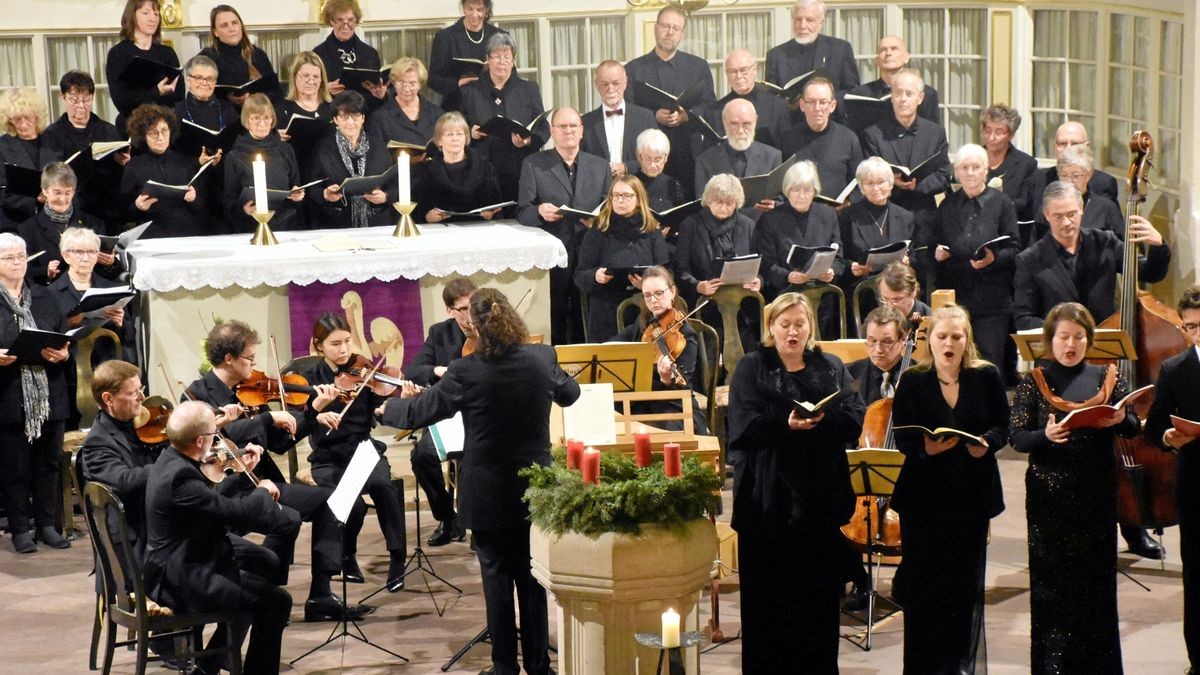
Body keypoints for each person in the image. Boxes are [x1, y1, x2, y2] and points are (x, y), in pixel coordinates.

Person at [380, 287, 580, 675]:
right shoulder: (542, 357)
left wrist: (388, 407)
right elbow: (570, 394)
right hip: (536, 489)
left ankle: (505, 667)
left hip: (488, 492)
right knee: (534, 579)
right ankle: (539, 667)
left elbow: (421, 411)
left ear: (473, 325)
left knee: (497, 580)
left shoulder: (465, 370)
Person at [185, 319, 370, 622]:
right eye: (249, 359)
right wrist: (268, 420)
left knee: (329, 502)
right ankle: (270, 596)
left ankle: (320, 595)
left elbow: (280, 443)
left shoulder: (247, 392)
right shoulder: (196, 396)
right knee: (289, 516)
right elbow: (220, 440)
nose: (254, 364)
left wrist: (312, 412)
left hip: (261, 481)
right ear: (229, 359)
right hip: (227, 491)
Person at [727, 292, 865, 673]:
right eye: (785, 324)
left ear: (810, 327)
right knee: (767, 607)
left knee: (817, 605)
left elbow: (854, 417)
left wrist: (820, 421)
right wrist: (784, 425)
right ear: (771, 326)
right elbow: (742, 427)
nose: (793, 331)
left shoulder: (830, 366)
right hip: (766, 502)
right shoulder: (752, 367)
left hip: (819, 502)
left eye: (800, 324)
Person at [1010, 302, 1134, 673]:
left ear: (1088, 340)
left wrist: (1120, 418)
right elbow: (1017, 438)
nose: (1071, 344)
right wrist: (1045, 435)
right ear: (1051, 340)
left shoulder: (1107, 377)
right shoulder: (1034, 381)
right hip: (1050, 499)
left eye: (1079, 337)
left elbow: (1134, 427)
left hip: (1095, 494)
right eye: (1063, 337)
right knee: (1053, 587)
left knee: (1095, 584)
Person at [891, 304, 1008, 674]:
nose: (949, 343)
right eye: (942, 336)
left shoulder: (985, 376)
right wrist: (924, 448)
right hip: (924, 501)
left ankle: (959, 663)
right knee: (925, 590)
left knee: (963, 587)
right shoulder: (913, 380)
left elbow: (1002, 425)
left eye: (957, 336)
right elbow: (902, 435)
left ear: (967, 341)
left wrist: (986, 442)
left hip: (970, 497)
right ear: (931, 340)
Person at [143, 401, 297, 675]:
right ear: (200, 440)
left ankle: (209, 666)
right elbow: (233, 513)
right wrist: (261, 490)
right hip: (182, 578)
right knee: (275, 602)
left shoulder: (170, 459)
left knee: (258, 584)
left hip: (187, 561)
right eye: (215, 435)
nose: (218, 441)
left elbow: (210, 502)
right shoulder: (181, 477)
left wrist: (243, 473)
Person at [297, 312, 407, 591]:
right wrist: (316, 411)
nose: (344, 349)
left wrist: (393, 403)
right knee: (352, 503)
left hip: (362, 448)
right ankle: (347, 555)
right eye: (335, 344)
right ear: (318, 345)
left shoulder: (365, 370)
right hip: (328, 455)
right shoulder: (308, 378)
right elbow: (297, 423)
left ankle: (397, 559)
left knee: (384, 486)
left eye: (347, 341)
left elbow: (378, 410)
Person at [1013, 181, 1170, 331]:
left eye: (1071, 214)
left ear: (1081, 208)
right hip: (1058, 350)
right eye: (1058, 216)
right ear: (1046, 215)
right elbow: (1024, 317)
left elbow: (1151, 273)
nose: (1066, 222)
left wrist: (1158, 245)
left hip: (1105, 346)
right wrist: (1062, 331)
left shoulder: (1105, 242)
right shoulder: (1029, 260)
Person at [0, 232, 70, 553]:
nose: (17, 263)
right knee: (15, 467)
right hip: (9, 393)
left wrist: (64, 354)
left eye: (21, 256)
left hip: (48, 393)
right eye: (9, 258)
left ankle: (47, 526)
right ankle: (20, 529)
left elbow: (63, 336)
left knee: (48, 464)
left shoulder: (45, 296)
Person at [516, 106, 610, 344]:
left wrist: (598, 220)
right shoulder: (534, 163)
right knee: (555, 314)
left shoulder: (600, 165)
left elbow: (609, 210)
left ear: (581, 131)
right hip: (553, 255)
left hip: (589, 254)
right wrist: (539, 211)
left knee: (586, 316)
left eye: (573, 126)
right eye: (562, 126)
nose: (568, 131)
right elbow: (522, 211)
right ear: (552, 131)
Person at [1145, 285, 1200, 673]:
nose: (1196, 334)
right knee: (1197, 580)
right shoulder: (1176, 369)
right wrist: (1168, 436)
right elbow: (1155, 427)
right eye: (1190, 327)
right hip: (1196, 486)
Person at [402, 277, 478, 546]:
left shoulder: (492, 329)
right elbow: (413, 371)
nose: (472, 314)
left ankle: (477, 524)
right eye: (465, 309)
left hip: (480, 412)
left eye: (476, 305)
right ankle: (448, 517)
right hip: (447, 412)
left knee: (475, 457)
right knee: (421, 457)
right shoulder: (439, 333)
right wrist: (438, 370)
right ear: (450, 310)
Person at [930, 143, 1018, 368]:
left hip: (993, 298)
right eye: (964, 167)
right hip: (957, 297)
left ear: (986, 170)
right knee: (956, 362)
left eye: (976, 167)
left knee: (989, 363)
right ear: (956, 171)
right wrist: (937, 254)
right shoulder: (947, 205)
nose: (970, 173)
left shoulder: (1002, 203)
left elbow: (1015, 248)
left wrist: (993, 259)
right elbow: (933, 243)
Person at [79, 360, 164, 568]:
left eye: (141, 389)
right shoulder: (97, 443)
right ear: (108, 399)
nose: (142, 398)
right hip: (133, 544)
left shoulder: (142, 425)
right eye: (133, 393)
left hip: (158, 526)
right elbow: (125, 481)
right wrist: (172, 464)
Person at [624, 5, 716, 197]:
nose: (669, 32)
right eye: (665, 26)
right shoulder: (634, 69)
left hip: (688, 154)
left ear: (682, 33)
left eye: (675, 28)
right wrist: (653, 115)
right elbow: (628, 109)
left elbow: (710, 106)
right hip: (648, 158)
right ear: (655, 28)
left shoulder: (698, 66)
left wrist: (686, 117)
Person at [48, 227, 134, 429]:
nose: (86, 258)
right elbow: (48, 335)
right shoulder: (51, 293)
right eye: (79, 252)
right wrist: (68, 323)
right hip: (71, 374)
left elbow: (131, 336)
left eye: (91, 252)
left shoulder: (110, 289)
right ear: (66, 256)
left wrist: (121, 323)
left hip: (107, 367)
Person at [611, 266, 710, 433]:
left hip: (673, 405)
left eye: (659, 293)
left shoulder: (686, 335)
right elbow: (613, 345)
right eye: (647, 295)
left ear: (672, 292)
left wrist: (667, 380)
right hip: (641, 403)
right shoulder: (643, 325)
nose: (653, 300)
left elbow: (683, 386)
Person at [753, 160, 844, 339]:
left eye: (807, 190)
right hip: (786, 295)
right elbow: (766, 263)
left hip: (822, 295)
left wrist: (832, 271)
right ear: (787, 191)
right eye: (796, 190)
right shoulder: (771, 219)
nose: (802, 196)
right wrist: (788, 276)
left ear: (815, 191)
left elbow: (839, 257)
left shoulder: (828, 214)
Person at [574, 175, 669, 342]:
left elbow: (667, 274)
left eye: (626, 196)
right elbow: (580, 275)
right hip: (606, 308)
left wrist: (647, 285)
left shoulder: (652, 233)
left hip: (645, 307)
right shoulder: (598, 231)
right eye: (615, 195)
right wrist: (596, 276)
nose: (620, 200)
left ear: (639, 199)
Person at [461, 32, 548, 202]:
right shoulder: (470, 90)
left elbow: (543, 127)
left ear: (513, 60)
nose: (502, 62)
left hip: (520, 168)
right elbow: (459, 126)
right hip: (482, 170)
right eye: (497, 56)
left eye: (507, 57)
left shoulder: (529, 89)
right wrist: (470, 133)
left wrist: (527, 141)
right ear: (488, 59)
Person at [40, 71, 130, 232]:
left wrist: (124, 162)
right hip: (71, 209)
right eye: (74, 100)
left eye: (86, 100)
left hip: (107, 209)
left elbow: (121, 177)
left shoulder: (109, 131)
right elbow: (49, 172)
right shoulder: (52, 134)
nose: (81, 105)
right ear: (63, 98)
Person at [861, 68, 951, 227]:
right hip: (884, 217)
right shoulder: (873, 134)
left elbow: (944, 175)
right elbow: (867, 177)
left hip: (924, 216)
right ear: (891, 98)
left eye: (909, 94)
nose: (903, 99)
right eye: (898, 93)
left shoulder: (935, 133)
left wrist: (918, 186)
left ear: (920, 98)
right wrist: (891, 182)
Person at [838, 157, 915, 329]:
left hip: (897, 292)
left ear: (890, 184)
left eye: (881, 182)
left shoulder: (905, 217)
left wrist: (908, 263)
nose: (876, 188)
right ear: (861, 187)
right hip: (861, 293)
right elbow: (839, 258)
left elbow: (916, 255)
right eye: (869, 183)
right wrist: (852, 267)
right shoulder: (848, 216)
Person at [118, 104, 212, 238]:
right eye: (153, 132)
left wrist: (193, 199)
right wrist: (137, 206)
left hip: (187, 234)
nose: (160, 137)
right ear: (143, 135)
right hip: (152, 235)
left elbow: (201, 208)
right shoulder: (134, 166)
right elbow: (124, 212)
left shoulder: (186, 162)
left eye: (164, 130)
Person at [675, 173, 761, 317]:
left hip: (743, 305)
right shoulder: (690, 225)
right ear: (708, 200)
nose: (723, 207)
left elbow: (761, 266)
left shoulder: (748, 226)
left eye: (729, 203)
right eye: (718, 202)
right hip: (704, 304)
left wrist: (759, 281)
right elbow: (681, 270)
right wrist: (698, 286)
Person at [18, 162, 115, 286]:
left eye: (67, 193)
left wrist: (110, 264)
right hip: (50, 296)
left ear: (74, 192)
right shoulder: (27, 229)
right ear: (45, 191)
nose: (63, 199)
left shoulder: (94, 225)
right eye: (57, 192)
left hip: (90, 292)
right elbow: (24, 272)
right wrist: (45, 272)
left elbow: (107, 275)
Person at [308, 91, 392, 229]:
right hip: (337, 223)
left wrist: (386, 196)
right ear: (335, 120)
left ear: (363, 118)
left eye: (355, 116)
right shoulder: (323, 148)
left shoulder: (378, 144)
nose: (350, 122)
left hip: (376, 222)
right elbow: (313, 187)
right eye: (344, 117)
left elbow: (394, 181)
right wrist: (325, 194)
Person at [225, 93, 305, 231]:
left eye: (266, 118)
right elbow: (229, 199)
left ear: (272, 119)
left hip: (286, 224)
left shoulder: (285, 149)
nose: (262, 124)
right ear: (246, 120)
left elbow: (296, 184)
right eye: (256, 118)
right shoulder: (234, 155)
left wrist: (298, 194)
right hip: (251, 226)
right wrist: (242, 210)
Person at [693, 98, 782, 222]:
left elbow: (781, 200)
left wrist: (774, 205)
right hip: (720, 232)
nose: (740, 131)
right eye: (734, 124)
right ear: (724, 123)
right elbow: (702, 202)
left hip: (762, 232)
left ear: (755, 121)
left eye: (746, 124)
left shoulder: (773, 156)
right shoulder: (705, 160)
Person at [780, 76, 864, 201]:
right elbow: (781, 182)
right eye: (812, 102)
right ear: (802, 105)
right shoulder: (788, 139)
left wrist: (849, 202)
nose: (817, 108)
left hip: (838, 215)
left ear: (832, 105)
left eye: (823, 102)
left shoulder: (849, 139)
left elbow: (859, 183)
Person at [765, 0, 860, 109]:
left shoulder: (840, 49)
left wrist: (824, 102)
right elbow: (770, 98)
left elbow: (852, 91)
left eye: (809, 20)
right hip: (791, 121)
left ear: (821, 23)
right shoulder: (776, 55)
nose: (802, 25)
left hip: (831, 120)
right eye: (798, 20)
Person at [104, 0, 182, 132]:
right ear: (132, 16)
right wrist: (156, 92)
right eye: (146, 13)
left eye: (156, 14)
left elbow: (179, 96)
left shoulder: (167, 53)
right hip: (133, 127)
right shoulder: (118, 53)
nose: (153, 18)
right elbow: (122, 100)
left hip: (165, 127)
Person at [1020, 120, 1120, 222]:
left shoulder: (1104, 183)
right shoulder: (1038, 179)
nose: (1068, 149)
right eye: (1062, 144)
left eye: (1075, 143)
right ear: (1054, 147)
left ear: (1087, 146)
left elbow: (1112, 223)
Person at [417, 111, 503, 224]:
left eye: (459, 134)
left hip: (479, 228)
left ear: (466, 138)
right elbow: (421, 210)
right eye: (449, 134)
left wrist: (491, 214)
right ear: (439, 140)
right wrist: (428, 217)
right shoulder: (429, 171)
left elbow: (496, 204)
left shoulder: (483, 166)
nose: (455, 139)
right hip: (441, 232)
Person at [696, 49, 790, 152]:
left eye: (744, 70)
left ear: (754, 70)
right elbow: (708, 155)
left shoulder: (778, 107)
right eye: (733, 71)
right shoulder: (714, 112)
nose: (739, 76)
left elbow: (786, 150)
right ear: (726, 74)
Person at [1030, 144, 1123, 244]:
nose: (1069, 181)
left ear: (1088, 175)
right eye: (1064, 175)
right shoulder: (1048, 208)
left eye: (1075, 176)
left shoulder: (1107, 208)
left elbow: (1121, 248)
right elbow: (1034, 250)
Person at [846, 35, 941, 133]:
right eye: (883, 50)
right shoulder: (859, 94)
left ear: (906, 57)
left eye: (894, 49)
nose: (888, 53)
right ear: (877, 60)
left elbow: (933, 133)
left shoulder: (927, 93)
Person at [580, 60, 657, 179]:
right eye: (605, 84)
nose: (610, 89)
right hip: (601, 193)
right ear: (596, 85)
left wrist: (626, 167)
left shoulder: (645, 117)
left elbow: (656, 156)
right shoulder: (586, 122)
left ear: (625, 83)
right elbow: (581, 161)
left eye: (616, 83)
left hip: (637, 187)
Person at [427, 0, 508, 112]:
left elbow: (510, 73)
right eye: (469, 9)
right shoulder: (445, 37)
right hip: (457, 106)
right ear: (463, 7)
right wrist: (457, 84)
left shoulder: (499, 36)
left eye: (479, 10)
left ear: (487, 10)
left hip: (491, 105)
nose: (474, 14)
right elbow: (433, 80)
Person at [198, 4, 283, 106]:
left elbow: (275, 93)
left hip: (256, 115)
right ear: (215, 32)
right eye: (224, 25)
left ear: (241, 26)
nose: (231, 29)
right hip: (222, 115)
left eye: (235, 23)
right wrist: (227, 98)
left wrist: (252, 98)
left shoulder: (258, 54)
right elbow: (199, 96)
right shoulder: (206, 58)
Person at [0, 88, 61, 225]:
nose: (23, 124)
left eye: (27, 117)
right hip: (17, 221)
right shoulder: (2, 146)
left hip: (53, 219)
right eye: (16, 119)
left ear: (37, 116)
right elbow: (2, 193)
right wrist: (36, 200)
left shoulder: (52, 141)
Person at [313, 0, 387, 105]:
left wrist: (381, 94)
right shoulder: (318, 53)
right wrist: (325, 90)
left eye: (350, 20)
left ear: (356, 20)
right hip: (333, 111)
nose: (345, 25)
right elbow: (310, 91)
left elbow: (377, 91)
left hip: (365, 113)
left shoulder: (370, 53)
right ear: (331, 21)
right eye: (340, 20)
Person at [275, 51, 335, 172]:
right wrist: (274, 137)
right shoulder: (281, 109)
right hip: (294, 169)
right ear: (295, 77)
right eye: (306, 76)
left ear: (322, 80)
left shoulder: (332, 108)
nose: (311, 81)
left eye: (316, 77)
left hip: (327, 170)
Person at [367, 57, 444, 147]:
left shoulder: (437, 114)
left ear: (420, 84)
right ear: (394, 83)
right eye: (402, 83)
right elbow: (377, 155)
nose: (406, 89)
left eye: (412, 84)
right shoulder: (380, 117)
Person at [980, 104, 1037, 224]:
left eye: (999, 132)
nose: (991, 137)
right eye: (988, 130)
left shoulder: (1026, 164)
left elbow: (1022, 204)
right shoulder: (972, 159)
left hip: (1007, 228)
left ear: (1011, 134)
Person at [632, 128, 686, 215]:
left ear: (666, 157)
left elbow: (680, 216)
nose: (652, 165)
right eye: (647, 158)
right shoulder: (629, 183)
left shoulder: (673, 185)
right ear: (638, 155)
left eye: (657, 159)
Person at [876, 261, 931, 326]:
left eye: (897, 299)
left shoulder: (929, 321)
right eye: (885, 298)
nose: (890, 307)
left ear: (914, 292)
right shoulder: (878, 319)